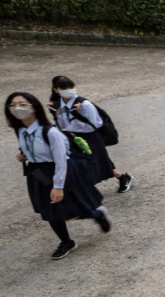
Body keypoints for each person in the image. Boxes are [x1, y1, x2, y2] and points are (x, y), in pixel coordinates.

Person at [7, 91, 111, 260]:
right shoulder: (21, 131)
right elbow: (29, 150)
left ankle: (96, 214)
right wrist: (22, 156)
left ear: (34, 107)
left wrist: (58, 186)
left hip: (58, 169)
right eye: (13, 105)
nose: (17, 108)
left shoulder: (50, 132)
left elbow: (61, 160)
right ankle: (66, 241)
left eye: (22, 104)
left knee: (72, 204)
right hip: (37, 172)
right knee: (48, 208)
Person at [48, 76, 133, 193]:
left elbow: (96, 124)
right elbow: (62, 125)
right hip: (72, 138)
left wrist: (78, 114)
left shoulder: (85, 104)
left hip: (90, 136)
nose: (69, 90)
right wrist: (56, 114)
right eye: (64, 88)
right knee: (80, 164)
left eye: (71, 87)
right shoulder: (57, 105)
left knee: (99, 162)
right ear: (56, 90)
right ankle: (85, 190)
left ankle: (122, 178)